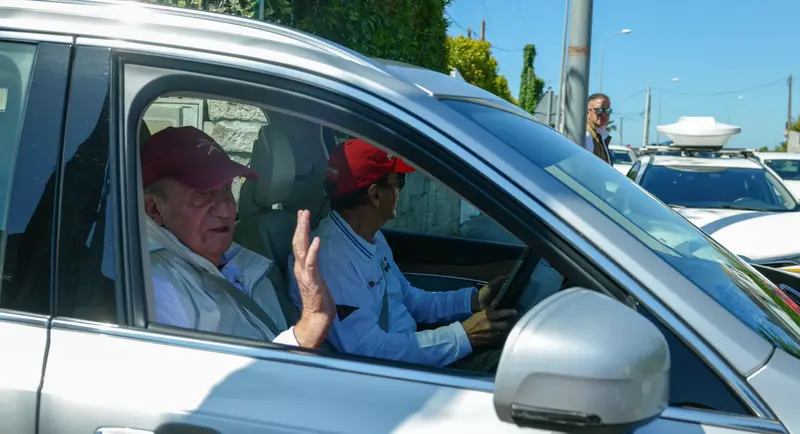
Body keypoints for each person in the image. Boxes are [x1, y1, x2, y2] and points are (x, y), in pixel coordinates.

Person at [288, 138, 516, 372]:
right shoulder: (331, 258)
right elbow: (370, 351)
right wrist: (465, 335)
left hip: (411, 351)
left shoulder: (371, 238)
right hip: (398, 374)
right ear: (375, 195)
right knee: (512, 365)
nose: (400, 190)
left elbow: (410, 299)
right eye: (399, 181)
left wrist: (473, 300)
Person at [142, 126, 334, 349]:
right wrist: (310, 326)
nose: (226, 209)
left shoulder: (242, 261)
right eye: (202, 194)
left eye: (226, 188)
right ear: (154, 209)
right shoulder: (156, 285)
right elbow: (213, 383)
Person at [584, 93, 613, 164]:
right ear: (587, 112)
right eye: (598, 110)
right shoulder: (586, 136)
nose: (603, 114)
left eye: (606, 111)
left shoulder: (601, 136)